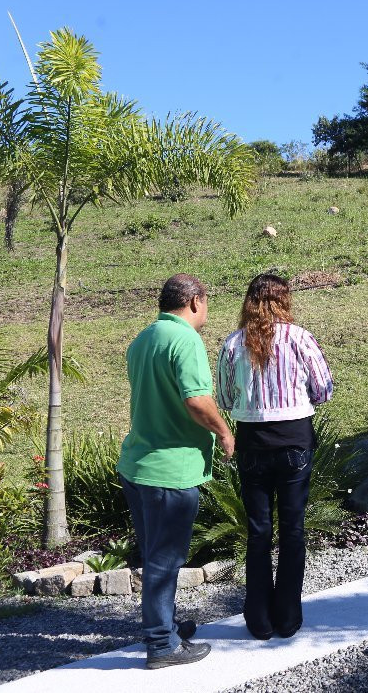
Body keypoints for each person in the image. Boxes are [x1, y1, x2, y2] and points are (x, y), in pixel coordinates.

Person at [117, 273, 235, 669]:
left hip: (137, 465)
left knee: (155, 556)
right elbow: (197, 400)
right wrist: (224, 431)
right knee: (165, 561)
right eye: (207, 304)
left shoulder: (144, 338)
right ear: (196, 301)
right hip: (170, 471)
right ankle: (162, 645)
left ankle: (162, 626)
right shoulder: (185, 340)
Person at [216, 273, 333, 640]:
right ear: (285, 301)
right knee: (293, 529)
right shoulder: (301, 339)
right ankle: (287, 617)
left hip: (253, 443)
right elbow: (324, 388)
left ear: (248, 302)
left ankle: (259, 620)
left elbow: (224, 399)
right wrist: (300, 401)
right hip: (295, 439)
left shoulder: (234, 343)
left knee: (258, 531)